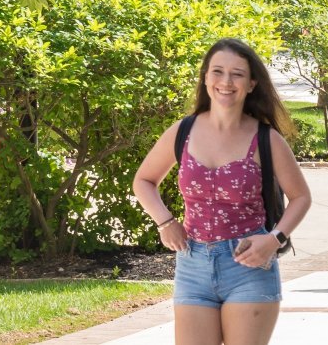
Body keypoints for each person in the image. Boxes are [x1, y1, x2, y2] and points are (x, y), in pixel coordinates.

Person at [132, 39, 313, 345]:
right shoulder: (183, 131)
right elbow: (144, 181)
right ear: (205, 78)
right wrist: (164, 222)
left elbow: (301, 197)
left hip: (248, 265)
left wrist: (274, 239)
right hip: (193, 264)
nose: (226, 82)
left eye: (237, 74)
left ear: (252, 84)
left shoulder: (265, 138)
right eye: (217, 71)